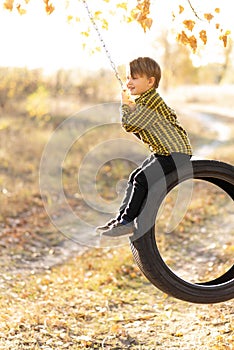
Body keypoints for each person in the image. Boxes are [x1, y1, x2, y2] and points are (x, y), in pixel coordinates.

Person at [97, 57, 192, 237]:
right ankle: (121, 218)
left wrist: (125, 105)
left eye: (134, 78)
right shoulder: (144, 101)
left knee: (142, 179)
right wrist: (131, 105)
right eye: (127, 78)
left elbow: (130, 125)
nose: (129, 82)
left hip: (175, 153)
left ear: (150, 81)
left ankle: (127, 222)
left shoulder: (151, 102)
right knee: (135, 177)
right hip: (164, 151)